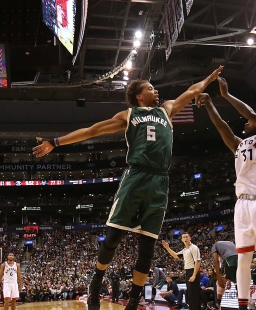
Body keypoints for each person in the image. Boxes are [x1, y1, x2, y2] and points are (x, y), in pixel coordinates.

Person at [33, 66, 224, 310]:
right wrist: (55, 142)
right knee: (113, 238)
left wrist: (209, 78)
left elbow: (192, 91)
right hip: (136, 177)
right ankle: (96, 282)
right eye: (150, 88)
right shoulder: (129, 115)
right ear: (139, 96)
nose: (156, 91)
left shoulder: (167, 110)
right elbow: (92, 131)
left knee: (147, 249)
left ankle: (133, 301)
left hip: (160, 181)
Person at [196, 78, 256, 310]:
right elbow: (222, 126)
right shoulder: (240, 144)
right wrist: (208, 104)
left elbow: (251, 113)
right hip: (243, 204)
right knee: (243, 259)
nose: (245, 123)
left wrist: (225, 95)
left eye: (249, 121)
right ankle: (242, 307)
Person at [162, 233, 202, 310]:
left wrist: (194, 275)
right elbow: (175, 255)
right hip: (188, 272)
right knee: (190, 294)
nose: (185, 238)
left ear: (190, 238)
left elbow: (197, 261)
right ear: (182, 240)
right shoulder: (185, 250)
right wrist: (167, 248)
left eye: (187, 237)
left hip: (193, 271)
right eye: (184, 237)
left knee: (193, 295)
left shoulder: (194, 247)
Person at [211, 240, 237, 305]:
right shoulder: (229, 243)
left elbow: (216, 261)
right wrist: (229, 280)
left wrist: (219, 279)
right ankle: (243, 305)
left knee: (221, 277)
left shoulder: (214, 246)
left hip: (229, 258)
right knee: (237, 281)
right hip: (239, 257)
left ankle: (218, 303)